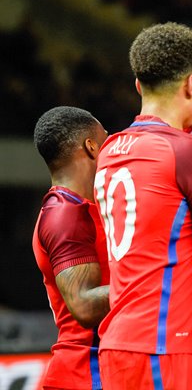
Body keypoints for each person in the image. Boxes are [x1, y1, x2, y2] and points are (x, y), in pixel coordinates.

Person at [94, 22, 192, 389]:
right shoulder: (189, 151)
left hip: (117, 343)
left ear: (138, 85)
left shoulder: (111, 149)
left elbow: (172, 119)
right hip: (165, 346)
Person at [32, 106, 110, 390]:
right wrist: (161, 276)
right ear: (92, 147)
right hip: (84, 373)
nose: (113, 144)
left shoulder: (88, 207)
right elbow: (84, 305)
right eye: (107, 138)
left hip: (104, 368)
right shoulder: (65, 214)